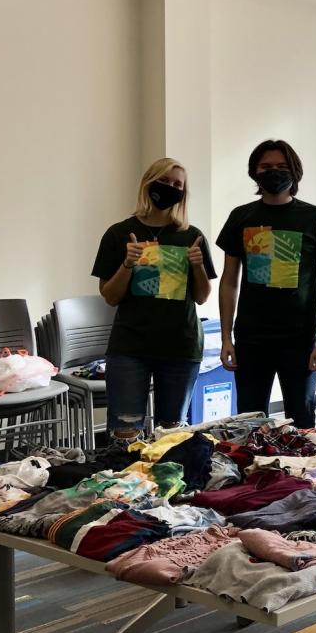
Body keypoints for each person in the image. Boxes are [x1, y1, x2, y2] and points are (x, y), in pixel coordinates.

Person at [216, 139, 316, 429]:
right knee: (249, 421)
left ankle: (299, 473)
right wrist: (226, 337)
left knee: (302, 420)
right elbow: (229, 282)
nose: (273, 171)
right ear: (254, 172)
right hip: (251, 338)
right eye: (266, 166)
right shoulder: (241, 217)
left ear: (294, 171)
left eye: (281, 166)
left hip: (300, 339)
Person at [92, 158, 217, 444]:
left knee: (172, 436)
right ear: (148, 183)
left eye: (177, 185)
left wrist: (197, 266)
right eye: (164, 181)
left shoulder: (192, 236)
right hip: (130, 347)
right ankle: (124, 488)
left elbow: (202, 296)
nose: (170, 188)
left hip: (180, 346)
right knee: (125, 434)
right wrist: (128, 264)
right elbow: (110, 297)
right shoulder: (118, 234)